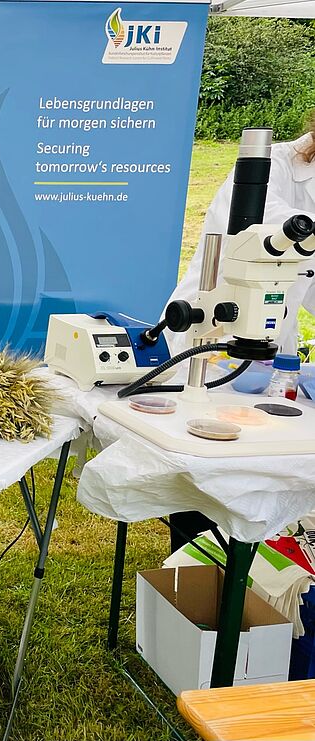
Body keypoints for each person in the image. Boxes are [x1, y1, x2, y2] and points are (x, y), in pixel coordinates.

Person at [163, 128, 315, 553]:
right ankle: (191, 572)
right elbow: (271, 231)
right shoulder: (270, 169)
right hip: (209, 336)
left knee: (263, 470)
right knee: (204, 470)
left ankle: (259, 576)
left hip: (268, 345)